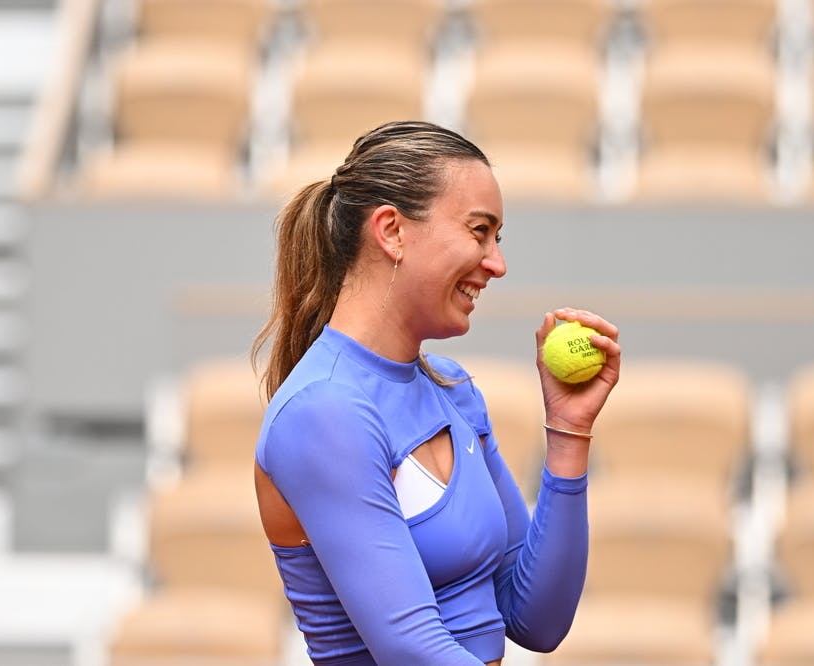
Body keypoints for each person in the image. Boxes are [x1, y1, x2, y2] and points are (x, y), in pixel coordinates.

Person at [251, 120, 621, 665]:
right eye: (479, 232)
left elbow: (535, 619)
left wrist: (569, 432)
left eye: (498, 239)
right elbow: (411, 649)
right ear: (392, 231)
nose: (497, 264)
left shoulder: (453, 389)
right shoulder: (322, 411)